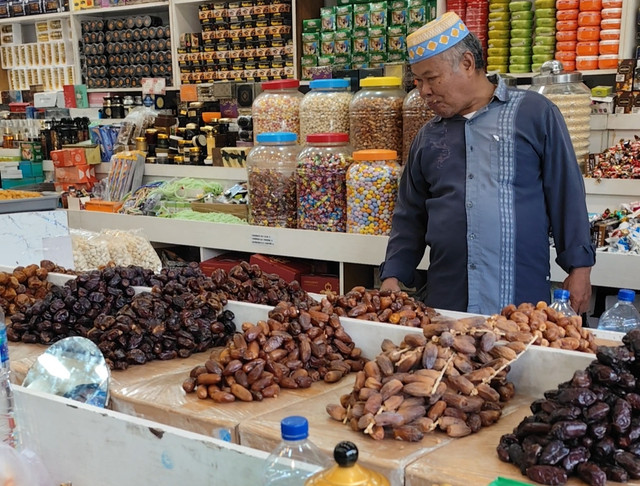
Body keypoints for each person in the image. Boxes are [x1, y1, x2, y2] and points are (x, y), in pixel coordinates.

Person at [379, 12, 596, 316]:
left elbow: (566, 195)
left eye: (432, 78)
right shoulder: (428, 137)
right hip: (448, 303)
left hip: (521, 302)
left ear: (467, 63)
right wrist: (393, 275)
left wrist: (580, 268)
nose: (424, 91)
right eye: (419, 81)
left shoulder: (534, 114)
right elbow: (409, 215)